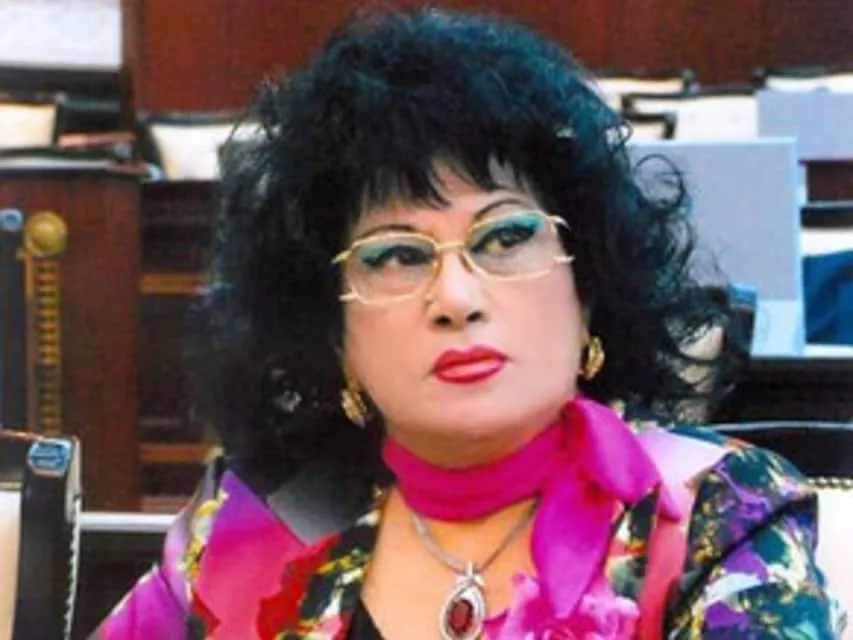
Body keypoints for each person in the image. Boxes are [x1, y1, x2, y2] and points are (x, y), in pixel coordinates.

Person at [93, 8, 843, 639]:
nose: (456, 297)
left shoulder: (715, 513)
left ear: (586, 287)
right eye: (395, 255)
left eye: (506, 237)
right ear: (331, 331)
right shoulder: (250, 526)